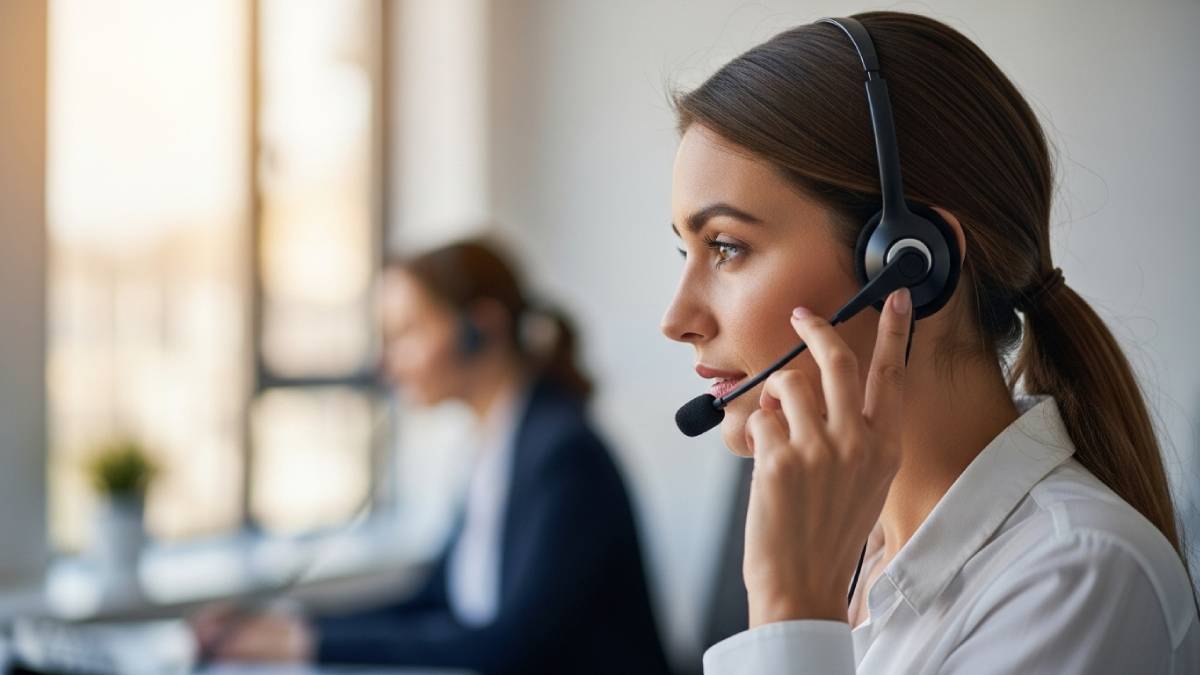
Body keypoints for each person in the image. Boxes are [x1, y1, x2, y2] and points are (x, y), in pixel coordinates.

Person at [661, 11, 1199, 674]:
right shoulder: (846, 545)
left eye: (726, 247)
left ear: (910, 263)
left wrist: (791, 616)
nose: (677, 316)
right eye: (685, 250)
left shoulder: (1079, 580)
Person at [194, 239, 671, 675]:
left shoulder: (561, 454)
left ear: (480, 328)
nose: (388, 360)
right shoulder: (497, 442)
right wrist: (289, 624)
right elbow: (436, 598)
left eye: (407, 332)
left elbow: (511, 646)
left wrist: (304, 645)